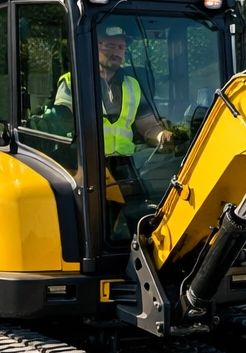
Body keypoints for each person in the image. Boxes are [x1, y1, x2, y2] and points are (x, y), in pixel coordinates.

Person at [54, 24, 176, 236]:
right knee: (96, 225)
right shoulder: (73, 81)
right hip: (87, 165)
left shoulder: (132, 85)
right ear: (94, 47)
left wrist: (161, 136)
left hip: (124, 167)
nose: (117, 53)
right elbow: (65, 121)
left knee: (144, 218)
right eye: (110, 46)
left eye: (121, 48)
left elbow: (147, 126)